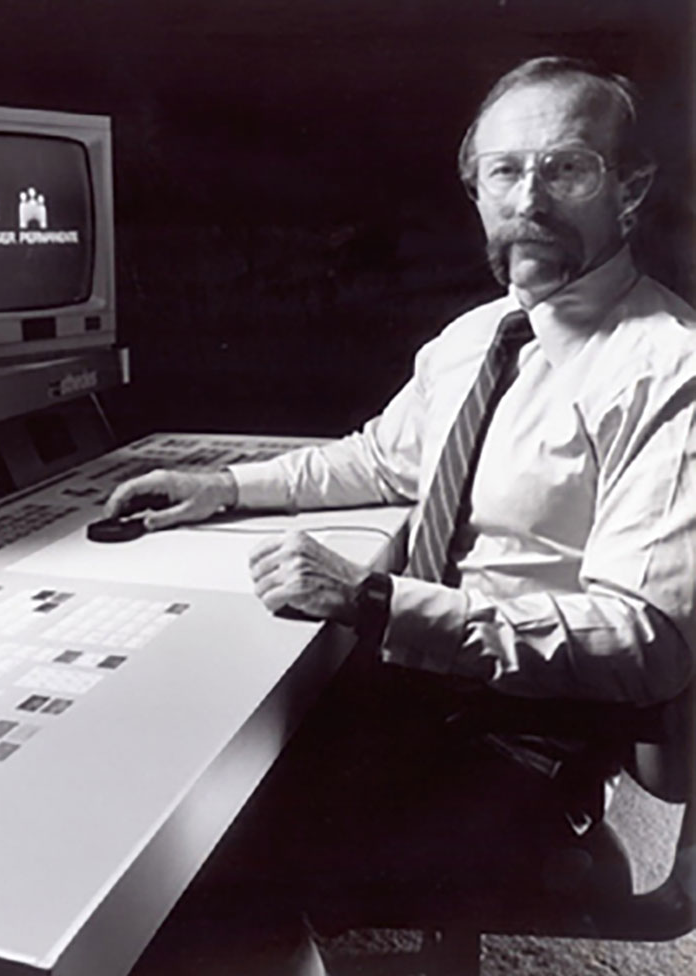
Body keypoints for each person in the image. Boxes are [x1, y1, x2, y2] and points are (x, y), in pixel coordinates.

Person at [108, 57, 695, 975]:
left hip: (527, 736)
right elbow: (378, 457)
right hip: (415, 694)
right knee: (157, 744)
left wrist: (379, 604)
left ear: (631, 190)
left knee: (203, 841)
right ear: (476, 192)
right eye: (504, 171)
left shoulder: (667, 371)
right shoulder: (474, 339)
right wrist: (226, 487)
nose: (528, 198)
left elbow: (644, 638)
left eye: (567, 167)